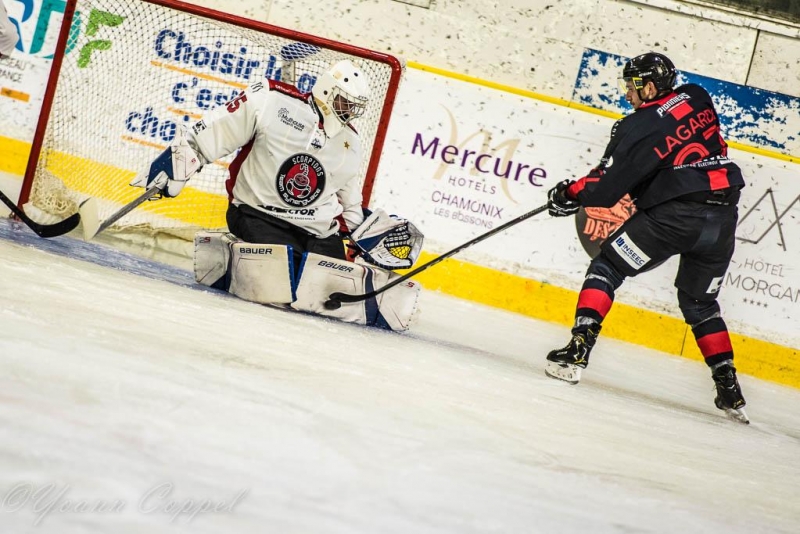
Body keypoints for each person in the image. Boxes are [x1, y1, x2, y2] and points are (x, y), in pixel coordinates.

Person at [131, 59, 423, 331]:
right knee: (285, 276)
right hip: (257, 214)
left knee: (333, 281)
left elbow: (348, 201)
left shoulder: (350, 142)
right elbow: (216, 131)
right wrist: (181, 160)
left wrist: (366, 235)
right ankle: (232, 264)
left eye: (354, 108)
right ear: (327, 91)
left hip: (319, 230)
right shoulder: (271, 100)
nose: (349, 112)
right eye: (345, 103)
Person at [544, 52, 749, 423]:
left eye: (631, 85)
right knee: (700, 303)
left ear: (649, 86)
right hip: (721, 220)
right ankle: (729, 387)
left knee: (607, 267)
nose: (627, 93)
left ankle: (578, 348)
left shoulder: (634, 126)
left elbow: (605, 188)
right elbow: (675, 134)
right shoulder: (697, 95)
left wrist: (569, 193)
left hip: (673, 218)